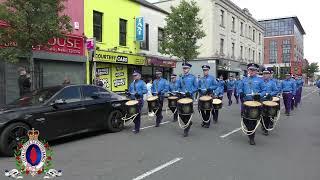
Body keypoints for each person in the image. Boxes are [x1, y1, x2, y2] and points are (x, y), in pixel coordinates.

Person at [238, 63, 266, 145]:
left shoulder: (260, 80)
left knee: (253, 120)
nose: (252, 71)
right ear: (248, 70)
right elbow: (239, 88)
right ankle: (250, 131)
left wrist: (259, 95)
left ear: (256, 71)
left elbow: (264, 90)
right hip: (246, 102)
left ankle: (251, 138)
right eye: (250, 69)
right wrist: (241, 92)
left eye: (253, 70)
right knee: (244, 119)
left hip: (255, 103)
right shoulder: (244, 80)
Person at [177, 62, 198, 137]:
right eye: (183, 68)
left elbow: (196, 87)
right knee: (180, 113)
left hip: (189, 97)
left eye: (186, 68)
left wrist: (190, 92)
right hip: (182, 97)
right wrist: (178, 91)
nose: (184, 70)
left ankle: (186, 129)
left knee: (187, 113)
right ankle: (188, 123)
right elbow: (178, 87)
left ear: (189, 69)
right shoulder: (180, 77)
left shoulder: (192, 77)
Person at [261, 67, 279, 136]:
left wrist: (270, 94)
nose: (265, 75)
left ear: (269, 75)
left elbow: (276, 90)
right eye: (264, 74)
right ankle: (263, 125)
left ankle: (266, 129)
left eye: (267, 74)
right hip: (261, 100)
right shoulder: (260, 82)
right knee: (261, 115)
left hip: (268, 101)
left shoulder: (272, 83)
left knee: (267, 116)